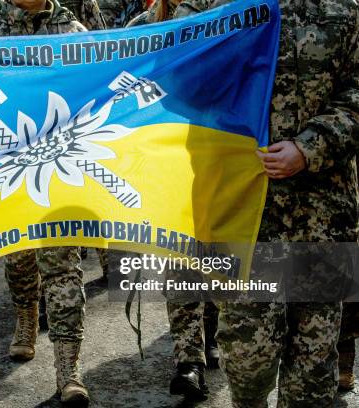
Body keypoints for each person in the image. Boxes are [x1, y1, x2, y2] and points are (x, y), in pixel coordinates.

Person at [173, 0, 358, 406]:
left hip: (322, 218)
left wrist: (311, 147)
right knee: (247, 361)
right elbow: (177, 72)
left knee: (313, 372)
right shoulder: (211, 5)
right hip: (244, 218)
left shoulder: (343, 9)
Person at [0, 1, 90, 404]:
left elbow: (96, 88)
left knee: (63, 269)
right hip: (11, 173)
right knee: (19, 259)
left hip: (60, 172)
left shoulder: (73, 32)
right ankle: (25, 316)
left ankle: (68, 371)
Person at [127, 0, 220, 400]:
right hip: (169, 162)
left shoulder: (228, 13)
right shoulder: (145, 26)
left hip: (219, 156)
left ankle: (212, 329)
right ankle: (189, 361)